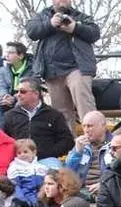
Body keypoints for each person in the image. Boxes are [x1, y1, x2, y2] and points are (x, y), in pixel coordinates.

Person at [25, 0, 100, 132]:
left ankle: (95, 140)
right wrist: (50, 24)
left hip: (78, 68)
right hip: (52, 71)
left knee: (85, 105)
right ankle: (69, 144)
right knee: (61, 114)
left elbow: (95, 34)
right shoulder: (43, 16)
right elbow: (31, 31)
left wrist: (75, 27)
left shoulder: (80, 16)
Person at [2, 77, 74, 168]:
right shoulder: (9, 115)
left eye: (22, 91)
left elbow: (67, 141)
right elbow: (3, 141)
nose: (18, 95)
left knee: (55, 173)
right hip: (18, 161)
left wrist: (49, 153)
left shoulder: (54, 115)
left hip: (47, 160)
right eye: (17, 91)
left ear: (36, 94)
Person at [64, 110, 110, 193]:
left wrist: (104, 185)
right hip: (82, 190)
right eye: (84, 126)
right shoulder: (82, 145)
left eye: (89, 126)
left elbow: (120, 173)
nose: (86, 130)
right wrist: (77, 152)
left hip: (106, 190)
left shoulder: (115, 145)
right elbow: (68, 172)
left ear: (103, 126)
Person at [0, 42, 33, 128]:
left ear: (20, 56)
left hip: (24, 99)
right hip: (8, 101)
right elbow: (2, 86)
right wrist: (5, 97)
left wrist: (14, 99)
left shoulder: (31, 69)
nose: (7, 55)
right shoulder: (3, 70)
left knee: (19, 107)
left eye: (10, 53)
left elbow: (28, 89)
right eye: (6, 52)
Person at [7, 138, 47, 207]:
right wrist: (24, 201)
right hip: (23, 200)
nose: (22, 155)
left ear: (34, 152)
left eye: (25, 152)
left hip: (40, 197)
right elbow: (15, 186)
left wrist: (42, 192)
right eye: (19, 153)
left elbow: (45, 182)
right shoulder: (14, 167)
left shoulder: (41, 167)